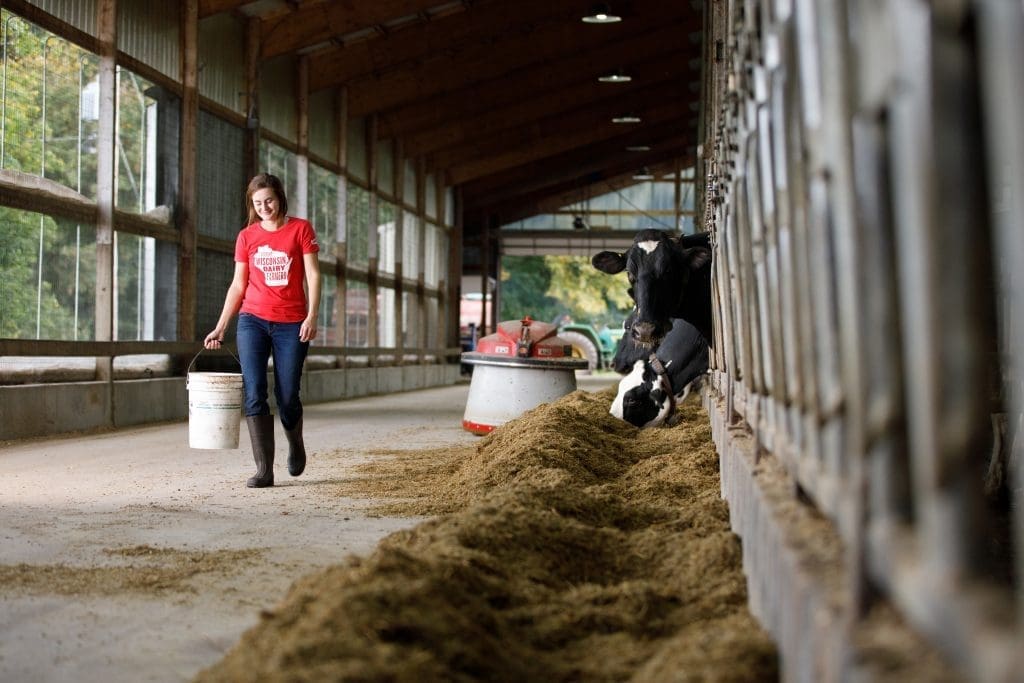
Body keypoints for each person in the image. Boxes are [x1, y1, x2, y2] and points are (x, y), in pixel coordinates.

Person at [204, 173, 321, 488]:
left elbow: (313, 274)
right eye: (257, 203)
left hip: (292, 322)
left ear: (279, 197)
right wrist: (221, 326)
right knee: (254, 391)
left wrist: (312, 315)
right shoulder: (247, 236)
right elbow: (238, 284)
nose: (264, 207)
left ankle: (295, 443)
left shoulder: (300, 229)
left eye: (268, 200)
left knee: (287, 396)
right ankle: (263, 470)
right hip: (252, 320)